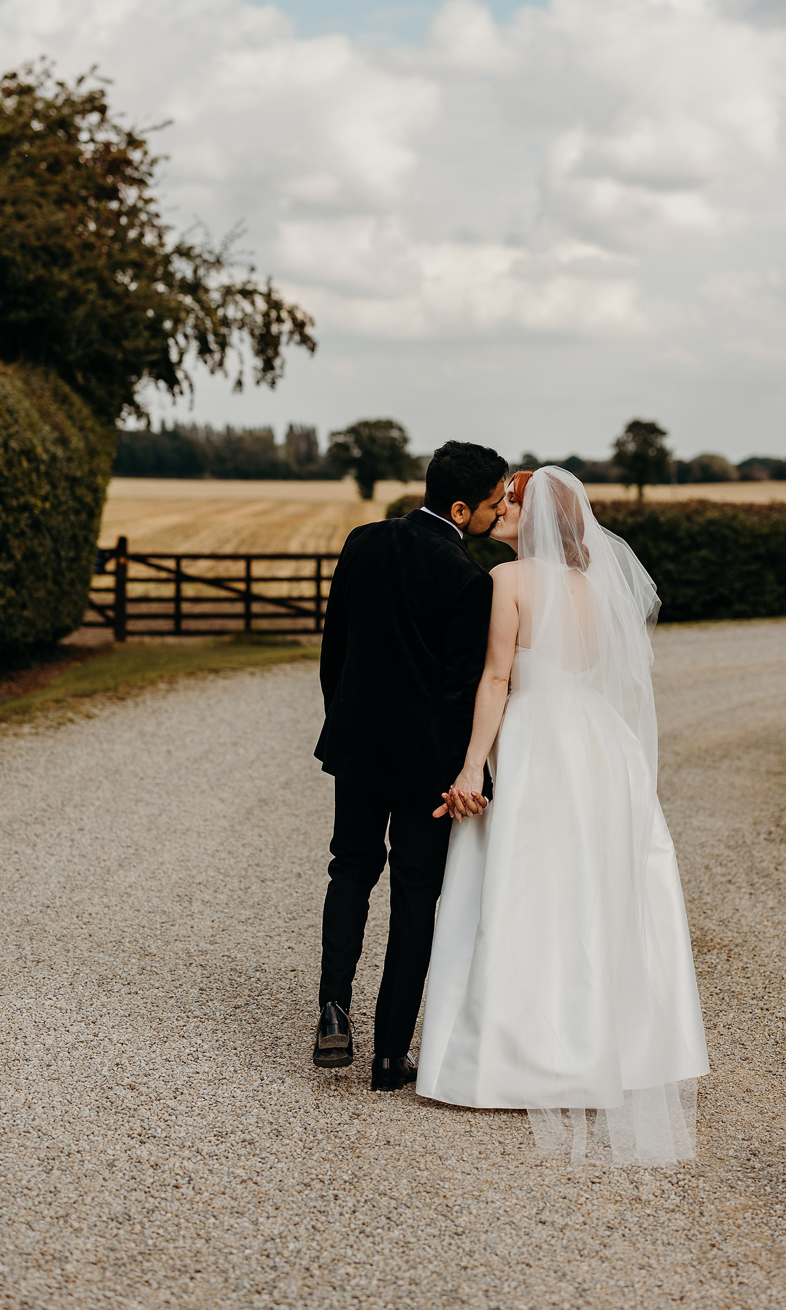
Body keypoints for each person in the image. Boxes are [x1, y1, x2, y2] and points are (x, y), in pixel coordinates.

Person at [416, 466, 709, 1166]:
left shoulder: (507, 582)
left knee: (525, 887)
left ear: (534, 515)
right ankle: (628, 1048)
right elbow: (610, 675)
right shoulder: (600, 589)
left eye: (510, 503)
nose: (500, 512)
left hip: (537, 739)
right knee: (601, 886)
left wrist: (469, 768)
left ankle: (517, 1057)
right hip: (601, 745)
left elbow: (495, 679)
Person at [312, 440, 508, 1091]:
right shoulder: (468, 579)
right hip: (425, 769)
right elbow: (458, 693)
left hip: (358, 748)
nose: (496, 513)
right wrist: (463, 775)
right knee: (413, 900)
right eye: (490, 504)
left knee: (350, 870)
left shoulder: (363, 542)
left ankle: (333, 1011)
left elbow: (332, 650)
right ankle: (390, 1056)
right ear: (460, 506)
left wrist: (344, 726)